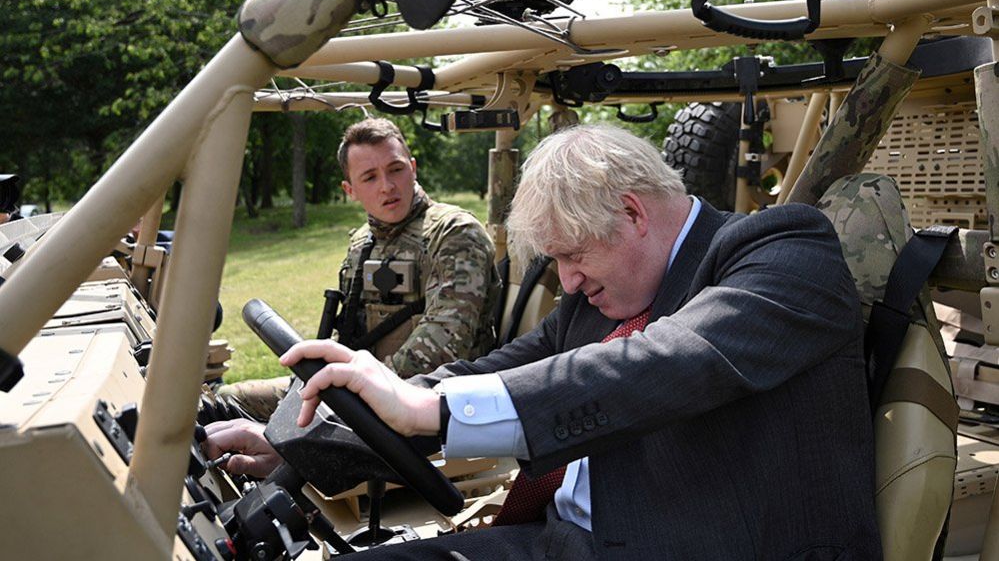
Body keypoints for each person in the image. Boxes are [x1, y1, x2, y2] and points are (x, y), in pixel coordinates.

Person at [205, 124, 881, 559]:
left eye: (572, 254)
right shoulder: (604, 297)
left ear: (631, 212)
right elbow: (490, 375)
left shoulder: (783, 253)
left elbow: (669, 361)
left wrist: (432, 413)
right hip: (559, 540)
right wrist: (302, 439)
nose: (567, 282)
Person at [216, 117, 500, 421]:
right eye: (370, 177)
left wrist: (350, 386)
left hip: (430, 405)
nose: (387, 187)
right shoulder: (362, 243)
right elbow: (350, 334)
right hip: (360, 393)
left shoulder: (454, 233)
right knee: (223, 402)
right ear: (350, 189)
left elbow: (444, 348)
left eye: (396, 170)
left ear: (413, 168)